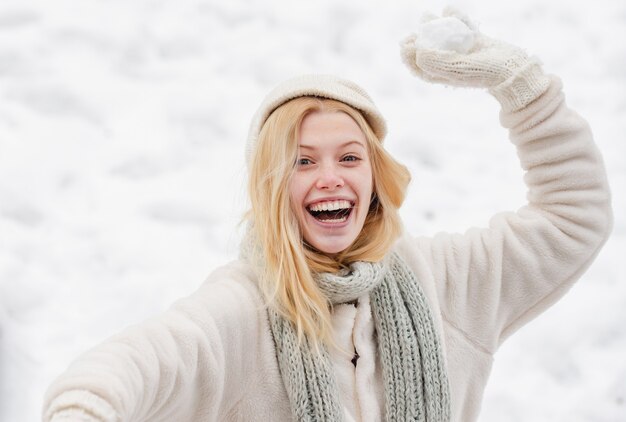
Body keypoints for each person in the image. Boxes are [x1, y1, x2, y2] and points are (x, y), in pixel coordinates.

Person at [42, 9, 612, 422]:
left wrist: (524, 88)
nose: (330, 176)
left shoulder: (448, 282)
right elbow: (135, 366)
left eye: (349, 157)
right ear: (271, 185)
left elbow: (573, 215)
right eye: (303, 161)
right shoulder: (244, 310)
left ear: (373, 177)